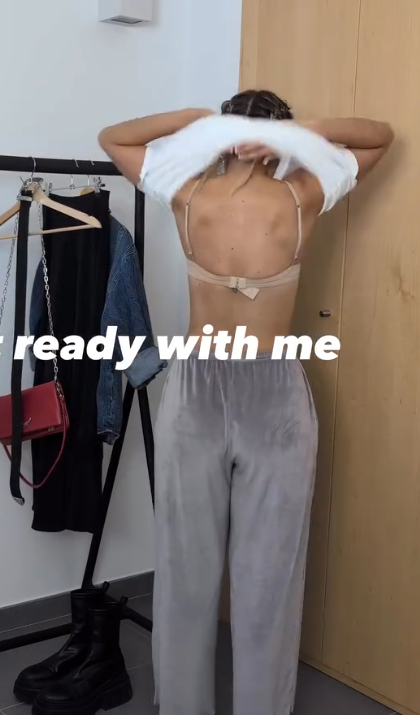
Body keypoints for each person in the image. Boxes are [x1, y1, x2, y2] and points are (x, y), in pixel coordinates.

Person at [98, 90, 393, 715]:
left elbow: (113, 138)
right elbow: (379, 136)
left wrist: (196, 122)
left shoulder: (186, 193)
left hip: (206, 389)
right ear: (277, 138)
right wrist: (301, 133)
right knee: (268, 575)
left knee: (187, 568)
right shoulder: (303, 194)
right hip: (269, 391)